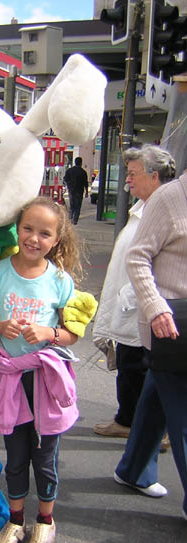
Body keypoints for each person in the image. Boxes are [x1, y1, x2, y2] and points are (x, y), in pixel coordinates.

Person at [0, 197, 81, 543]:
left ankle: (45, 521)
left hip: (46, 380)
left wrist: (49, 333)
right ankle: (16, 520)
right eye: (28, 229)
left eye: (45, 233)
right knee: (16, 455)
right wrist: (1, 327)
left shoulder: (61, 280)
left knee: (46, 457)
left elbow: (72, 333)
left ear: (57, 239)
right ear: (16, 229)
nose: (34, 239)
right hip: (10, 379)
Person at [114, 168, 187, 521]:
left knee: (158, 397)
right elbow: (137, 257)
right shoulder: (170, 198)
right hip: (170, 326)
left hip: (176, 329)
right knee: (182, 414)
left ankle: (133, 470)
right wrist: (156, 307)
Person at [93, 145, 176, 449]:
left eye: (132, 174)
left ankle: (155, 431)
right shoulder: (141, 207)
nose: (127, 179)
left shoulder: (164, 209)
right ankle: (127, 420)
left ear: (154, 176)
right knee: (129, 366)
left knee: (142, 369)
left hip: (147, 306)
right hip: (129, 302)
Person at [63, 156, 89, 225]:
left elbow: (65, 179)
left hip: (71, 190)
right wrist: (86, 192)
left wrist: (68, 185)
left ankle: (70, 217)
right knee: (78, 206)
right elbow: (85, 183)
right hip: (79, 191)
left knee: (72, 204)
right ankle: (75, 220)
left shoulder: (69, 170)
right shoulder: (83, 172)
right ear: (81, 163)